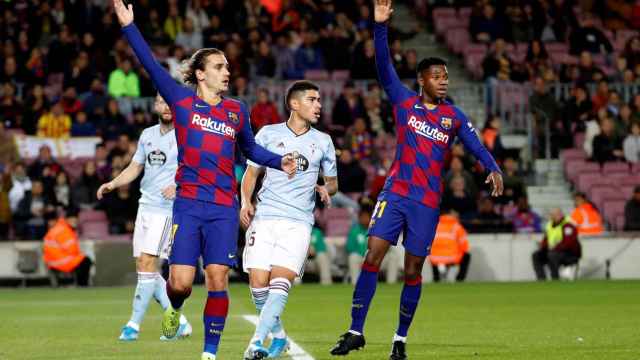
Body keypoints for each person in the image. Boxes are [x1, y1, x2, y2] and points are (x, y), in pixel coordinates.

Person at [112, 2, 297, 359]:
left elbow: (251, 150)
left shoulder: (236, 111)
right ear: (200, 74)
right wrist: (129, 27)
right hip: (188, 206)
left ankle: (209, 353)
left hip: (223, 207)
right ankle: (175, 309)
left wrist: (279, 160)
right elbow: (151, 66)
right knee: (180, 284)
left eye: (227, 66)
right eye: (218, 66)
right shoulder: (181, 102)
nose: (226, 71)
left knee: (217, 278)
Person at [330, 2, 503, 359]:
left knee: (412, 270)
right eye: (437, 76)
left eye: (446, 77)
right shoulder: (404, 102)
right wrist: (380, 26)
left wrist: (493, 167)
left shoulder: (452, 116)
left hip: (426, 202)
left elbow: (475, 145)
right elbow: (383, 66)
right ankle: (355, 330)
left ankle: (400, 340)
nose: (444, 81)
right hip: (395, 193)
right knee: (373, 254)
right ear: (422, 80)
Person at [239, 80, 338, 359]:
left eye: (319, 100)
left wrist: (324, 188)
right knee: (258, 284)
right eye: (312, 99)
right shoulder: (268, 134)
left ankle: (256, 343)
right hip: (266, 216)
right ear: (294, 104)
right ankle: (279, 338)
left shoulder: (324, 141)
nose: (318, 105)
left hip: (298, 221)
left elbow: (333, 183)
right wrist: (246, 201)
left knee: (280, 282)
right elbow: (251, 174)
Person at [97, 95, 192, 341]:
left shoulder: (187, 135)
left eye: (171, 102)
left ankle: (133, 325)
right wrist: (113, 183)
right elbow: (135, 166)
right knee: (143, 265)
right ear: (155, 106)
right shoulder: (147, 135)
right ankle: (179, 321)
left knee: (149, 263)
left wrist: (178, 186)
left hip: (168, 208)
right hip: (146, 206)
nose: (167, 107)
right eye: (162, 102)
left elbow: (198, 169)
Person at [42, 209, 93, 286]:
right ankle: (82, 286)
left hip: (52, 261)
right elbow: (72, 250)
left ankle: (79, 284)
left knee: (82, 260)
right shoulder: (65, 230)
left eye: (75, 219)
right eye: (73, 219)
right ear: (67, 219)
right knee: (86, 261)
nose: (75, 221)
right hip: (60, 261)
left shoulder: (58, 228)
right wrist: (79, 256)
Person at [532, 208, 581, 280]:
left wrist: (553, 248)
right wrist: (543, 247)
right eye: (552, 215)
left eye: (554, 215)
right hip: (555, 251)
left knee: (552, 255)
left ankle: (555, 278)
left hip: (570, 254)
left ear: (560, 214)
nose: (552, 217)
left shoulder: (568, 225)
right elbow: (546, 239)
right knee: (536, 255)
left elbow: (568, 243)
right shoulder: (550, 225)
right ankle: (541, 279)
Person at [429, 209, 471, 282]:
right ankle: (459, 279)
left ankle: (436, 278)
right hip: (451, 258)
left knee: (433, 255)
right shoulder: (457, 227)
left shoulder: (434, 225)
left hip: (435, 258)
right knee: (466, 256)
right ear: (451, 215)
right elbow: (464, 246)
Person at [346, 206, 373, 285]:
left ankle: (390, 283)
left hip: (374, 259)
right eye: (362, 217)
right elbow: (349, 248)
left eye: (366, 217)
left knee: (392, 257)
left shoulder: (376, 230)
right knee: (353, 256)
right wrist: (363, 257)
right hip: (359, 258)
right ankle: (355, 284)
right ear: (359, 218)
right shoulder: (354, 231)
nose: (364, 219)